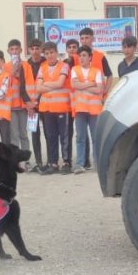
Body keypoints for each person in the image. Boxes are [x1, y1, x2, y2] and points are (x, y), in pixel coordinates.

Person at [36, 41, 71, 174]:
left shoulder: (64, 66)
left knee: (64, 136)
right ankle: (53, 163)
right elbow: (38, 88)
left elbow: (61, 83)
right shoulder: (42, 67)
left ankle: (66, 162)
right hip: (47, 109)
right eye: (47, 53)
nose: (49, 55)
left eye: (52, 52)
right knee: (50, 136)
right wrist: (53, 84)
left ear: (56, 52)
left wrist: (46, 84)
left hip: (61, 107)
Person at [69, 45, 104, 175]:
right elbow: (74, 85)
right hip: (80, 109)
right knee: (80, 137)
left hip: (94, 110)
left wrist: (82, 85)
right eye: (80, 56)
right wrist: (91, 83)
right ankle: (79, 164)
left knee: (95, 137)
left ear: (90, 57)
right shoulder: (74, 69)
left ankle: (97, 163)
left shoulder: (97, 71)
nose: (81, 58)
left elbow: (99, 89)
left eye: (84, 55)